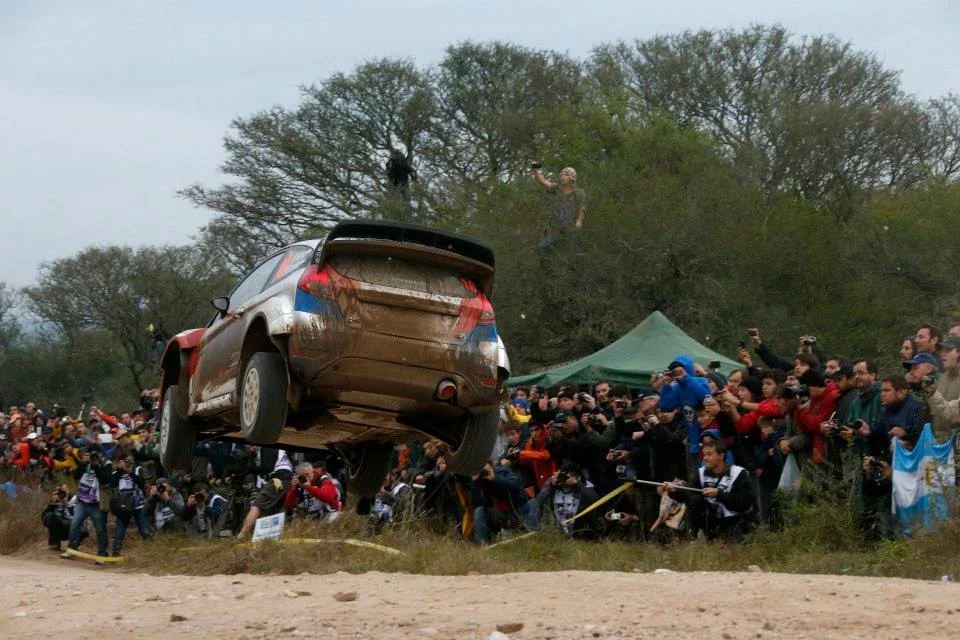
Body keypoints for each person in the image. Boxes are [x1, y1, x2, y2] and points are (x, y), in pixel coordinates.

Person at [665, 440, 755, 542]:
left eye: (709, 454)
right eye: (704, 455)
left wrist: (719, 494)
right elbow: (689, 496)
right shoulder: (700, 473)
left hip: (733, 520)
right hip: (710, 520)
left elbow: (745, 503)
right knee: (695, 500)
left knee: (733, 545)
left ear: (721, 456)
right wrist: (674, 491)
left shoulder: (738, 473)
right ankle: (697, 536)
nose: (705, 458)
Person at [657, 355, 712, 476]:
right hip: (692, 441)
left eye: (679, 368)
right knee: (695, 478)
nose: (677, 371)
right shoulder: (677, 389)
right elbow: (665, 406)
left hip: (708, 439)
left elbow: (705, 397)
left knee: (709, 476)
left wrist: (686, 377)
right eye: (674, 370)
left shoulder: (700, 381)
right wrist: (666, 385)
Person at [61, 449, 112, 563]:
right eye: (88, 454)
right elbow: (76, 476)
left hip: (97, 504)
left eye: (93, 455)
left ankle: (102, 554)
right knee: (75, 524)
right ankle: (71, 548)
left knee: (100, 529)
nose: (91, 457)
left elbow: (105, 480)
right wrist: (83, 463)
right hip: (83, 501)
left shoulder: (106, 464)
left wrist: (96, 465)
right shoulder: (84, 464)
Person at [471, 460, 538, 544]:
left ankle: (532, 538)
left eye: (484, 465)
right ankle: (483, 545)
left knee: (533, 503)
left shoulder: (502, 471)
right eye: (479, 468)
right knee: (479, 511)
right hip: (498, 514)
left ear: (491, 465)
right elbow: (477, 504)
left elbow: (514, 487)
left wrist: (494, 479)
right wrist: (475, 484)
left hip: (517, 509)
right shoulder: (480, 481)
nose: (482, 469)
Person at [235, 448, 294, 540]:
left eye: (251, 446)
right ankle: (272, 538)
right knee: (274, 511)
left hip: (278, 478)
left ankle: (242, 535)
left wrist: (250, 469)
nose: (251, 449)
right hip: (287, 479)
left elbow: (267, 467)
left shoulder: (266, 447)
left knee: (257, 505)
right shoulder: (279, 450)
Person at [535, 463, 601, 539]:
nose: (566, 478)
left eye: (571, 475)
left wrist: (577, 484)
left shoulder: (584, 486)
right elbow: (539, 501)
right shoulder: (552, 487)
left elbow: (594, 501)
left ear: (577, 476)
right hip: (557, 530)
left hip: (579, 531)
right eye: (563, 475)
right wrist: (551, 485)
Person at [531, 163, 586, 253]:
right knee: (541, 248)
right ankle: (547, 265)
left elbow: (582, 208)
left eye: (566, 175)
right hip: (557, 229)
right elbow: (543, 181)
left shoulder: (579, 192)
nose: (562, 177)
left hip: (571, 229)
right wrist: (535, 170)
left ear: (572, 177)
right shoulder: (557, 189)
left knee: (574, 255)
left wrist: (579, 221)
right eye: (561, 175)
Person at [928, 335, 960, 440]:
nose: (943, 354)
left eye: (948, 350)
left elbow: (954, 413)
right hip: (938, 444)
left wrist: (933, 394)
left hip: (956, 446)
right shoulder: (941, 379)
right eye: (942, 350)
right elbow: (934, 413)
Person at [42, 485, 76, 551]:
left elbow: (75, 515)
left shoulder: (74, 498)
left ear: (68, 490)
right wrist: (53, 502)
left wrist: (66, 502)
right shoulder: (54, 503)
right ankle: (54, 544)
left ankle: (74, 546)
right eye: (60, 491)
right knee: (50, 516)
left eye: (64, 490)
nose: (62, 492)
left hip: (69, 526)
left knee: (83, 530)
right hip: (58, 525)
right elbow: (44, 517)